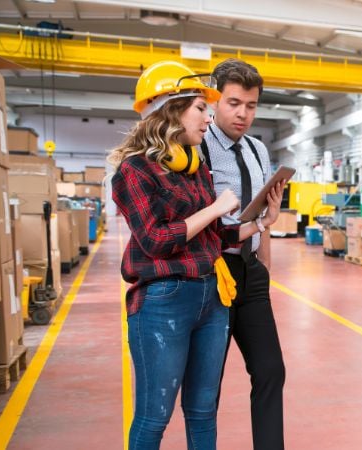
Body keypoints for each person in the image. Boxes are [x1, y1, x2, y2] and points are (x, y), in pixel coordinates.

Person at [109, 60, 283, 450]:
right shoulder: (136, 171)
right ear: (170, 110)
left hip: (211, 291)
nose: (209, 116)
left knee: (204, 410)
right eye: (201, 108)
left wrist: (260, 224)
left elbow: (216, 234)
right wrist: (217, 207)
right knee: (155, 416)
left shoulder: (194, 167)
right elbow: (155, 239)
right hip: (165, 299)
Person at [202, 58, 287, 449]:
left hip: (251, 273)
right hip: (212, 274)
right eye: (233, 103)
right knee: (208, 383)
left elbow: (264, 211)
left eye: (251, 106)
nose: (243, 114)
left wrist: (264, 265)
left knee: (271, 370)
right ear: (215, 100)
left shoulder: (256, 149)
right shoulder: (198, 145)